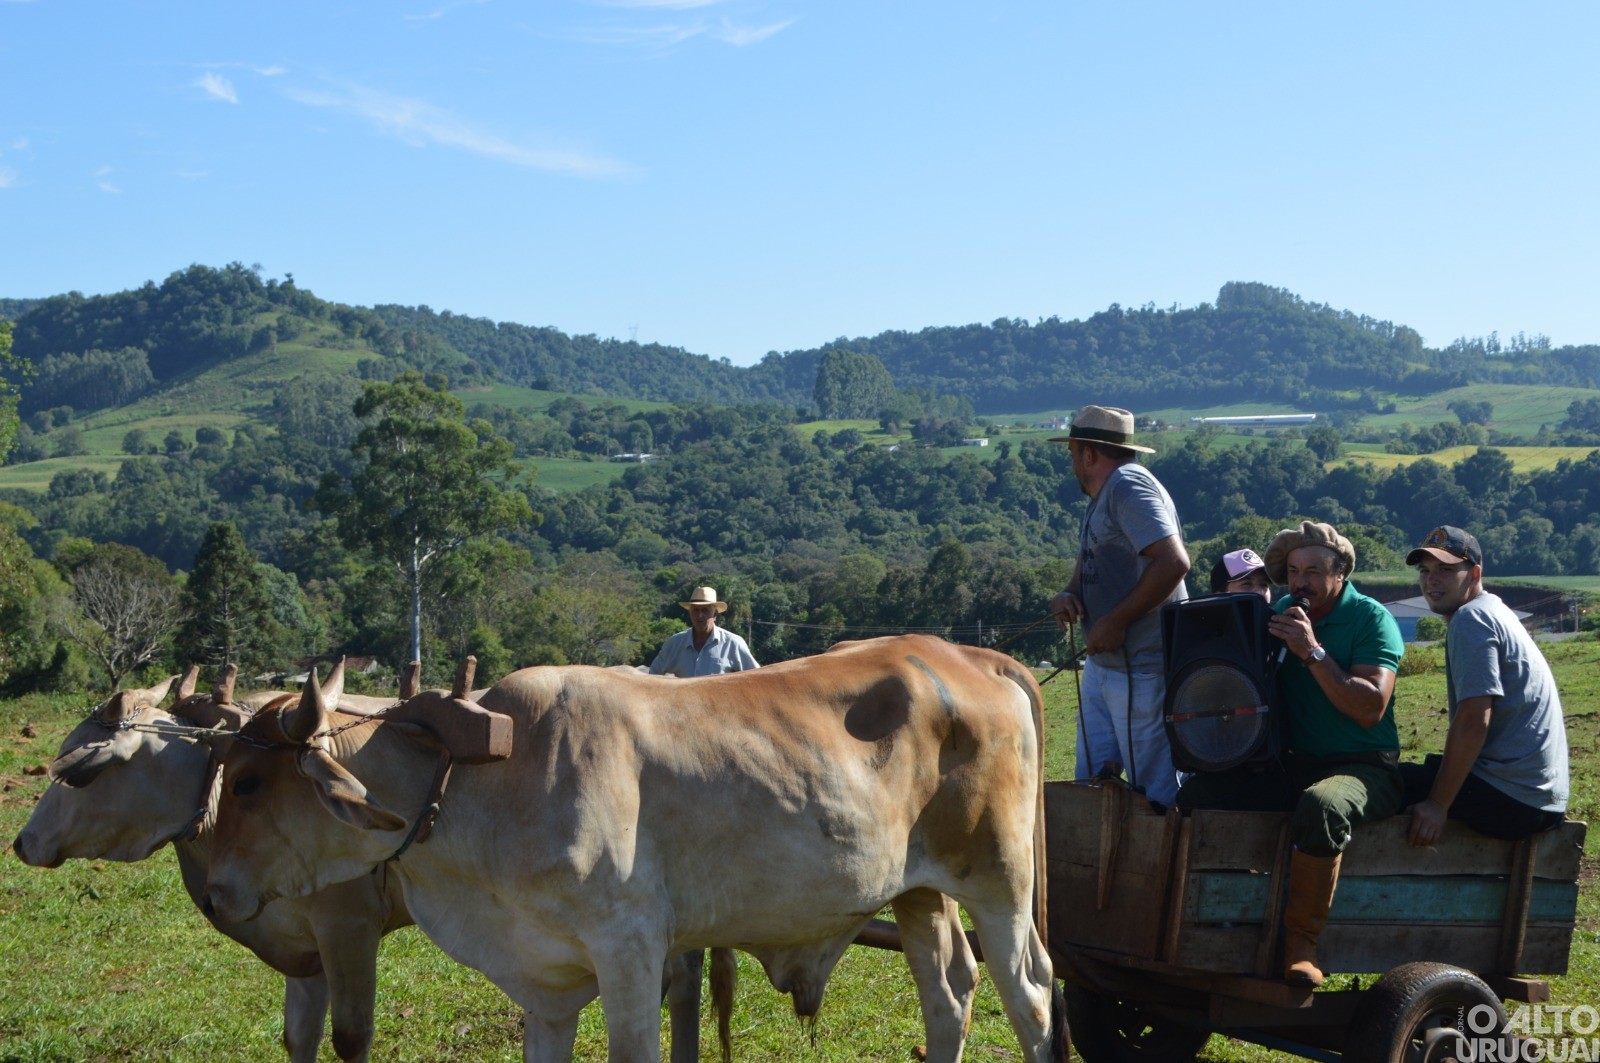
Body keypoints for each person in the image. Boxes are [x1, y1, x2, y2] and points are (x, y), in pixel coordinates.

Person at [1177, 520, 1405, 986]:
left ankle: (1301, 946)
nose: (1301, 582)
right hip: (1293, 763)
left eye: (1315, 571)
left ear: (1341, 573)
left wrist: (1312, 652)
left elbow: (1370, 709)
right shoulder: (1279, 610)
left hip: (1362, 765)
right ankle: (1211, 921)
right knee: (1198, 795)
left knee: (1322, 805)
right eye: (1295, 571)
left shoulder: (1370, 618)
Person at [1048, 405, 1190, 806]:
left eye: (1073, 453)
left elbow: (1174, 562)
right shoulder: (1104, 495)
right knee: (1091, 783)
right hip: (1106, 665)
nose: (1073, 463)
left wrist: (1116, 621)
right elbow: (1091, 558)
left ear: (1088, 453)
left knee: (1153, 791)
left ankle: (1158, 864)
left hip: (1141, 667)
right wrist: (1069, 593)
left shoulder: (1129, 487)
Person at [1402, 526, 1568, 846]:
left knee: (1386, 786)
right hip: (1541, 797)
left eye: (1446, 570)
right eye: (1425, 570)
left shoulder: (1470, 619)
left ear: (1474, 574)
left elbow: (1474, 720)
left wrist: (1437, 806)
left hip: (1514, 798)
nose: (1431, 580)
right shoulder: (1495, 610)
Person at [650, 586, 759, 677]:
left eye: (705, 610)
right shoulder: (674, 643)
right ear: (690, 613)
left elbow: (755, 678)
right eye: (695, 610)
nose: (700, 615)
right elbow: (653, 676)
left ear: (715, 614)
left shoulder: (733, 644)